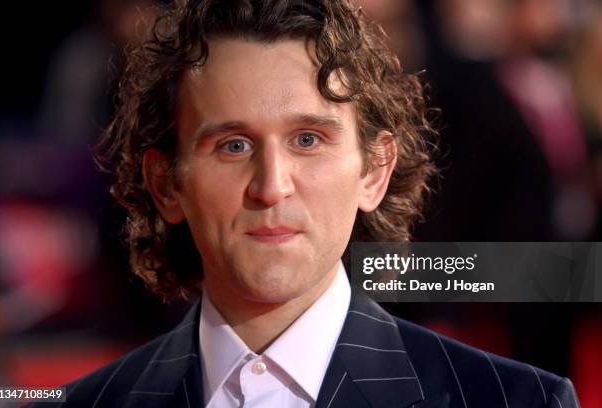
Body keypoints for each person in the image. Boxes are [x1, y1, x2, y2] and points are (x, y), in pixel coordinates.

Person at [31, 0, 579, 407]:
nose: (272, 186)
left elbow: (549, 267)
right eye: (234, 145)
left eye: (308, 140)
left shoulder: (517, 400)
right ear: (166, 184)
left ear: (375, 169)